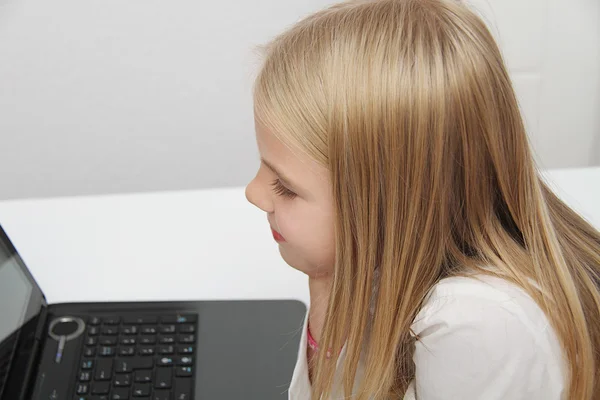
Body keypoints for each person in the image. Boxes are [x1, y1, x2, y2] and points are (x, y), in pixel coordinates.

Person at [244, 0, 600, 398]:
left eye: (286, 187)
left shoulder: (480, 328)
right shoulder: (392, 261)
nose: (253, 193)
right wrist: (327, 295)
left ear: (388, 204)